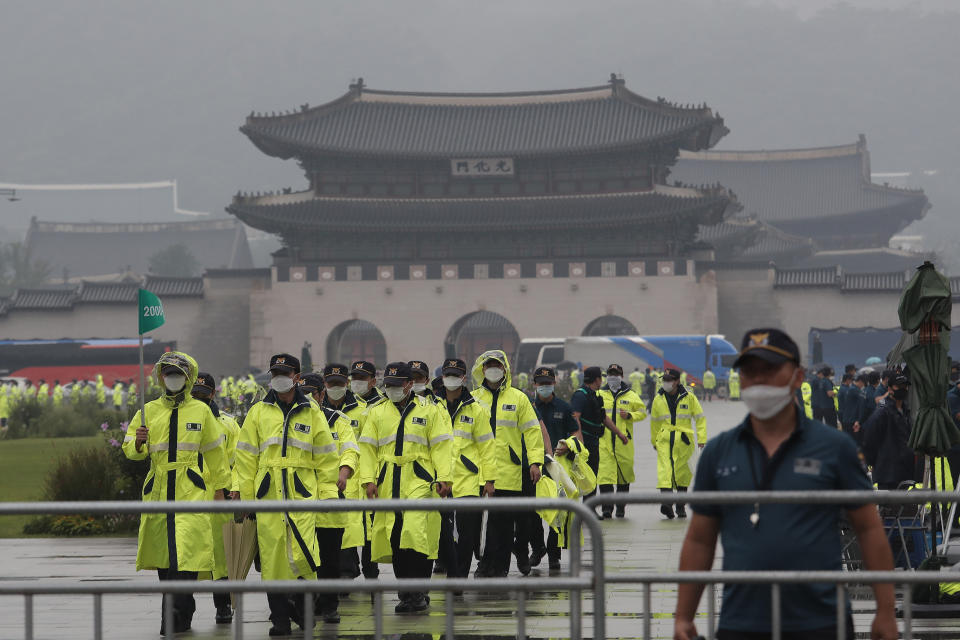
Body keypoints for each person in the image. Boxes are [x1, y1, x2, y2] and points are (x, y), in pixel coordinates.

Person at [673, 328, 897, 640]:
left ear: (797, 376)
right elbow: (699, 540)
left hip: (820, 620)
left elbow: (869, 529)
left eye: (770, 370)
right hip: (742, 621)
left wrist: (885, 611)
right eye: (750, 372)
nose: (759, 381)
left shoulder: (835, 448)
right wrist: (683, 616)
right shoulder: (719, 452)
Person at [235, 353, 348, 636]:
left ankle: (303, 610)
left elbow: (326, 457)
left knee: (304, 555)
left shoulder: (311, 412)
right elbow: (246, 458)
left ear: (297, 377)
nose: (279, 379)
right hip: (268, 494)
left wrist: (327, 495)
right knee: (273, 561)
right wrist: (246, 498)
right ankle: (280, 620)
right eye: (275, 373)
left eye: (284, 373)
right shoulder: (258, 412)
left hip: (302, 495)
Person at [121, 352, 229, 636]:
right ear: (160, 377)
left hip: (191, 490)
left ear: (188, 377)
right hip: (158, 491)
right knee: (166, 563)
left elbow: (216, 454)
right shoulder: (148, 411)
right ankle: (174, 622)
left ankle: (178, 617)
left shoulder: (201, 411)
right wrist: (138, 444)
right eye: (168, 372)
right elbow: (130, 449)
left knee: (187, 554)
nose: (173, 377)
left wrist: (221, 489)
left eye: (178, 372)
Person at [358, 362, 453, 613]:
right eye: (388, 385)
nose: (391, 390)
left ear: (409, 384)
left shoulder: (429, 410)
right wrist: (368, 480)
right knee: (396, 539)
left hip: (420, 481)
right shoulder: (377, 412)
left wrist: (444, 477)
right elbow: (367, 448)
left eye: (396, 385)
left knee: (417, 536)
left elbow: (442, 446)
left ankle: (419, 591)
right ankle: (406, 592)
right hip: (389, 482)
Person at [470, 350, 544, 577]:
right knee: (481, 523)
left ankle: (500, 566)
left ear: (505, 369)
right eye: (489, 365)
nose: (493, 369)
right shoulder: (473, 398)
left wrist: (535, 462)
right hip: (478, 470)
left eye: (497, 365)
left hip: (508, 470)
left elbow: (532, 431)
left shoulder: (518, 398)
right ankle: (484, 563)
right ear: (482, 369)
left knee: (503, 523)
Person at [298, 371, 360, 624]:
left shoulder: (338, 420)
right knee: (302, 555)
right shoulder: (292, 420)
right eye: (303, 393)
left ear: (321, 394)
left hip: (329, 495)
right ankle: (304, 604)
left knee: (330, 556)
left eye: (312, 393)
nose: (308, 398)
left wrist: (344, 473)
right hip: (300, 496)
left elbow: (350, 450)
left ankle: (330, 605)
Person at [190, 372, 240, 625]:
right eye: (194, 394)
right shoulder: (181, 420)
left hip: (220, 495)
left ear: (212, 394)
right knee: (188, 554)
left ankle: (223, 606)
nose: (199, 399)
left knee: (222, 558)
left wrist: (234, 489)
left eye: (203, 394)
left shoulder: (229, 425)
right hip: (190, 494)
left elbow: (239, 461)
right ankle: (183, 608)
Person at [439, 358, 495, 581]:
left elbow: (487, 446)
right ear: (442, 377)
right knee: (442, 533)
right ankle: (450, 569)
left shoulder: (477, 410)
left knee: (467, 533)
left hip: (468, 479)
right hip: (440, 478)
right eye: (447, 374)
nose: (451, 379)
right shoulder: (433, 406)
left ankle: (459, 576)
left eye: (455, 375)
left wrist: (489, 479)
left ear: (463, 379)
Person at [317, 364, 368, 582]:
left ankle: (352, 571)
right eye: (331, 383)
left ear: (346, 384)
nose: (335, 387)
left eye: (339, 383)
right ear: (324, 386)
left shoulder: (363, 410)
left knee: (356, 531)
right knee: (335, 532)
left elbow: (362, 447)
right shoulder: (315, 414)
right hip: (327, 482)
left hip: (353, 477)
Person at [533, 366, 579, 568]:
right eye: (541, 383)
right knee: (533, 512)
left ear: (554, 384)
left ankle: (554, 554)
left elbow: (576, 434)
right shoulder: (528, 406)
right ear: (535, 385)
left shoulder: (564, 407)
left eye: (548, 383)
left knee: (557, 512)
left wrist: (569, 446)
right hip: (535, 466)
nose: (545, 387)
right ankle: (537, 548)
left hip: (557, 468)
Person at [650, 368, 706, 519]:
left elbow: (700, 418)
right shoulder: (658, 398)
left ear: (677, 381)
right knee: (665, 471)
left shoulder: (689, 397)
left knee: (682, 474)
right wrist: (654, 440)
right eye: (665, 380)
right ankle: (667, 504)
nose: (666, 383)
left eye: (669, 380)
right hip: (665, 439)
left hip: (684, 441)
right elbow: (654, 422)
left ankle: (680, 507)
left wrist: (702, 439)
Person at [349, 359, 387, 580]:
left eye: (362, 379)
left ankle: (371, 568)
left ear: (373, 381)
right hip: (353, 473)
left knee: (372, 525)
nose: (357, 382)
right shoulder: (348, 404)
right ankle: (350, 566)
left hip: (375, 472)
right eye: (354, 378)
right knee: (351, 525)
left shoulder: (382, 405)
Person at [570, 366, 629, 506]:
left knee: (592, 478)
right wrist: (580, 441)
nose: (602, 381)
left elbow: (604, 418)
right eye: (600, 378)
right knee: (584, 478)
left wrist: (619, 434)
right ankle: (582, 509)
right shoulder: (580, 395)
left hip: (594, 442)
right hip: (585, 444)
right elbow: (575, 417)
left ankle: (589, 508)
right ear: (597, 379)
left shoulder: (595, 395)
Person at [597, 364, 646, 519]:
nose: (613, 377)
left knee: (624, 477)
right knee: (604, 476)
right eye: (610, 374)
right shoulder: (599, 394)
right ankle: (607, 508)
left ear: (622, 376)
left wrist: (630, 415)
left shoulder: (630, 395)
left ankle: (620, 507)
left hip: (623, 442)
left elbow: (642, 412)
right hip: (603, 442)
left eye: (616, 374)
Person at [862, 375, 919, 490]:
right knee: (890, 506)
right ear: (889, 389)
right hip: (888, 473)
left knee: (904, 505)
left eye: (905, 386)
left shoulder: (905, 410)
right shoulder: (883, 412)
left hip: (905, 470)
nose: (903, 389)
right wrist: (875, 463)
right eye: (899, 386)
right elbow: (869, 439)